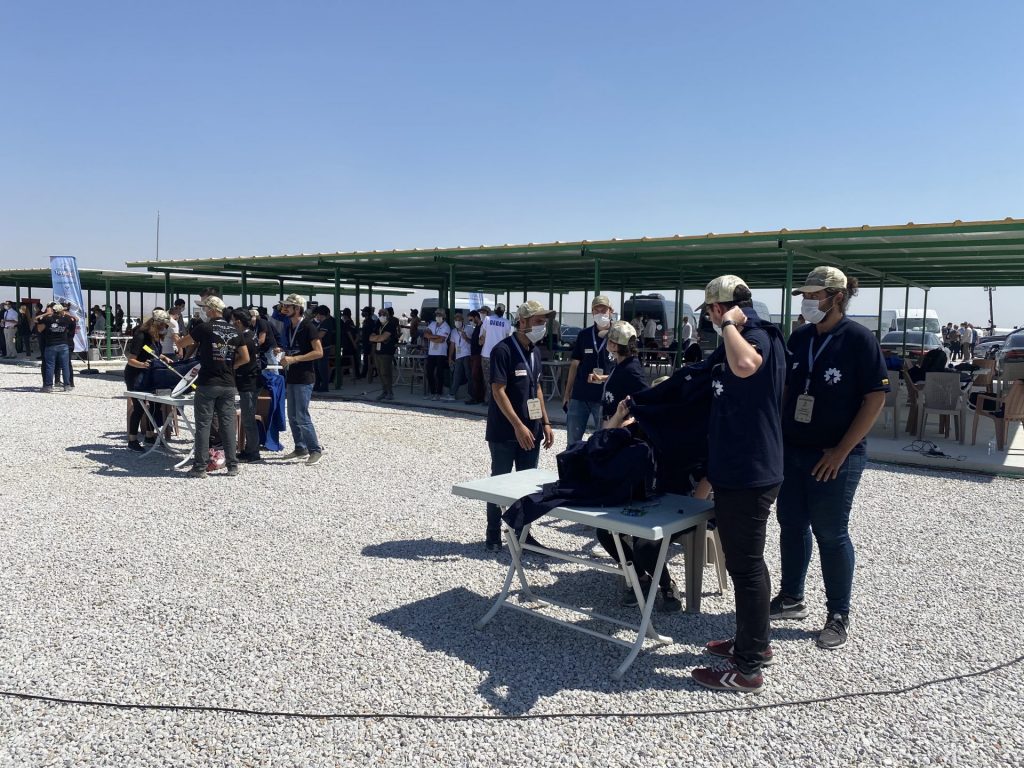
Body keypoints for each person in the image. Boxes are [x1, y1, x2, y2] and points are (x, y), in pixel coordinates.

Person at [773, 266, 889, 652]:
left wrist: (841, 452)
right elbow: (787, 389)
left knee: (830, 532)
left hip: (836, 455)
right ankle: (791, 597)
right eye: (805, 296)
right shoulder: (801, 337)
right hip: (794, 449)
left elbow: (875, 398)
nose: (808, 302)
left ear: (837, 297)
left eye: (814, 296)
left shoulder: (858, 339)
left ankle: (839, 613)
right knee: (791, 524)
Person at [690, 275, 786, 694]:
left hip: (749, 471)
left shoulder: (755, 337)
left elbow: (746, 366)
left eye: (712, 312)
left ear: (720, 308)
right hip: (740, 467)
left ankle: (747, 670)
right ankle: (754, 642)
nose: (711, 320)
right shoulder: (745, 338)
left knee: (745, 567)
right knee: (748, 563)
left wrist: (730, 323)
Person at [483, 300, 556, 552]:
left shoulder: (534, 351)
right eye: (538, 321)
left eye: (544, 321)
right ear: (522, 322)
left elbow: (537, 387)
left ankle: (522, 533)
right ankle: (493, 534)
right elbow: (498, 390)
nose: (542, 326)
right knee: (499, 484)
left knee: (527, 487)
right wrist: (517, 425)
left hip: (532, 430)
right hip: (505, 432)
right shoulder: (503, 350)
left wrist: (545, 421)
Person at [175, 296, 247, 478]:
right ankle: (232, 465)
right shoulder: (235, 330)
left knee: (203, 425)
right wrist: (230, 366)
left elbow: (182, 343)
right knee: (227, 424)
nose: (204, 311)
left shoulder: (205, 328)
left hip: (208, 382)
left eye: (205, 308)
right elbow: (245, 357)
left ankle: (200, 467)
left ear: (212, 309)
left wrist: (174, 335)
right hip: (228, 383)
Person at [274, 294, 324, 464]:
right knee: (293, 415)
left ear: (297, 308)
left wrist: (294, 359)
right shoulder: (288, 326)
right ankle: (300, 447)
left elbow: (319, 352)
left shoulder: (308, 326)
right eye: (284, 305)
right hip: (292, 375)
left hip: (305, 376)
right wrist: (282, 352)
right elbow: (293, 348)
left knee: (302, 415)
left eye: (288, 306)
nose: (284, 308)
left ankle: (315, 450)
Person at [562, 296, 614, 445]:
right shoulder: (584, 335)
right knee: (573, 442)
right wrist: (567, 393)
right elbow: (574, 365)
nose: (600, 313)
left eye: (603, 310)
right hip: (580, 396)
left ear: (611, 311)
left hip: (604, 397)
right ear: (592, 312)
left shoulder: (617, 334)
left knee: (603, 442)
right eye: (596, 310)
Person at [123, 310, 174, 450]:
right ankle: (132, 440)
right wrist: (142, 364)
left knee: (155, 404)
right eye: (164, 325)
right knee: (139, 407)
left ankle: (150, 435)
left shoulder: (155, 336)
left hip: (149, 374)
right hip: (135, 374)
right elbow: (131, 359)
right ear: (156, 323)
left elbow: (152, 353)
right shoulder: (141, 334)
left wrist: (163, 357)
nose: (165, 327)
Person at [589, 321, 647, 427]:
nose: (606, 343)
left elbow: (645, 398)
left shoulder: (631, 369)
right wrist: (602, 378)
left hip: (618, 425)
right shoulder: (623, 364)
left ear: (614, 345)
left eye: (607, 340)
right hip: (610, 422)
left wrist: (630, 421)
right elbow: (621, 380)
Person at [229, 309, 263, 462]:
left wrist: (232, 366)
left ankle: (253, 452)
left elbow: (244, 358)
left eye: (232, 320)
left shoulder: (245, 337)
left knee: (248, 418)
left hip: (249, 381)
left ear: (238, 321)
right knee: (247, 417)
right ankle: (250, 448)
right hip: (251, 379)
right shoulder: (252, 334)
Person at [35, 303, 75, 392]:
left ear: (53, 310)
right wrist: (67, 314)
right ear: (61, 311)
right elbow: (75, 319)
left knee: (50, 366)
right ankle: (67, 385)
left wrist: (46, 313)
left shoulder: (48, 319)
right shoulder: (66, 319)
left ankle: (48, 386)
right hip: (63, 345)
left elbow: (36, 320)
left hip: (51, 344)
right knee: (65, 366)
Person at [480, 303, 511, 404]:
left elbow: (482, 337)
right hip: (500, 355)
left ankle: (488, 400)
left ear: (494, 310)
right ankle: (497, 400)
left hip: (486, 353)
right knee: (499, 379)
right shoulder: (507, 322)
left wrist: (480, 342)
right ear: (503, 311)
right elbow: (507, 338)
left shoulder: (487, 319)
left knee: (487, 378)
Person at [370, 306, 399, 401]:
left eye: (383, 314)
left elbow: (383, 337)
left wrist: (378, 338)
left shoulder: (390, 325)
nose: (381, 316)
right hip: (378, 351)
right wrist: (379, 338)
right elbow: (371, 337)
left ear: (387, 315)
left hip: (387, 352)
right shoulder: (378, 324)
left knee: (386, 372)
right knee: (380, 373)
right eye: (379, 314)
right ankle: (384, 391)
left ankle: (390, 392)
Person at [423, 308, 451, 401]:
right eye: (437, 315)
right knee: (429, 372)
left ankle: (438, 393)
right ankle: (432, 392)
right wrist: (435, 337)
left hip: (441, 353)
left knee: (439, 374)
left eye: (440, 315)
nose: (438, 317)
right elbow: (425, 333)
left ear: (444, 316)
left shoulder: (446, 327)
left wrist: (430, 337)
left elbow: (441, 340)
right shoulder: (432, 324)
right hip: (431, 353)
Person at [444, 311, 472, 401]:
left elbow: (474, 342)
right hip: (458, 356)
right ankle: (452, 394)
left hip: (467, 355)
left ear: (462, 320)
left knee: (469, 375)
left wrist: (466, 338)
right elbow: (452, 345)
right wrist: (450, 358)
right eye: (456, 320)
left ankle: (471, 395)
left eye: (459, 320)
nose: (457, 322)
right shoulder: (453, 331)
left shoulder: (469, 329)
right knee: (456, 375)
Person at [312, 305, 335, 392]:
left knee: (322, 367)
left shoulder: (326, 323)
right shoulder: (321, 323)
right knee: (317, 367)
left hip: (324, 348)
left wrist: (312, 335)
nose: (316, 316)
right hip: (319, 347)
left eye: (317, 314)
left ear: (320, 314)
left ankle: (324, 386)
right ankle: (317, 384)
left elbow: (321, 335)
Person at [466, 309, 485, 405]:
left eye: (471, 320)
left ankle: (477, 397)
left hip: (478, 355)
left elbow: (481, 341)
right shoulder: (477, 327)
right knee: (475, 377)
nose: (470, 322)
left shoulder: (482, 327)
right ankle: (477, 397)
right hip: (473, 355)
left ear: (476, 317)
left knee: (476, 376)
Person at [357, 306, 378, 380]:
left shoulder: (369, 322)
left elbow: (371, 333)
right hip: (366, 343)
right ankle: (373, 372)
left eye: (363, 312)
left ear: (366, 313)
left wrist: (370, 343)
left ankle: (364, 374)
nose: (362, 313)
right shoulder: (367, 321)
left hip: (368, 343)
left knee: (367, 359)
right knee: (369, 359)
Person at [339, 307, 359, 377]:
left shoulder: (346, 323)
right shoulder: (351, 322)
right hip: (351, 344)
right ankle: (351, 372)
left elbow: (349, 333)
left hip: (348, 345)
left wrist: (353, 343)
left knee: (345, 359)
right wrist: (355, 343)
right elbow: (357, 334)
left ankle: (341, 374)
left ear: (345, 315)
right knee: (353, 359)